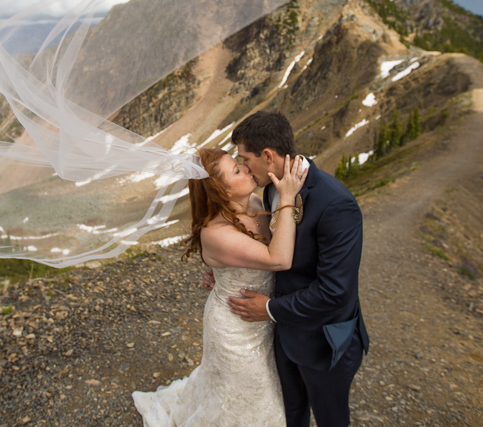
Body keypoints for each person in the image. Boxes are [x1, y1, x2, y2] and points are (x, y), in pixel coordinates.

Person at [132, 147, 308, 427]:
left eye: (240, 164)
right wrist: (287, 197)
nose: (247, 168)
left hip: (262, 319)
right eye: (237, 171)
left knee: (258, 389)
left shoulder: (252, 201)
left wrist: (221, 273)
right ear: (221, 191)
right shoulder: (215, 233)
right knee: (246, 394)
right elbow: (279, 258)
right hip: (234, 329)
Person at [225, 110, 369, 427]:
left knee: (331, 420)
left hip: (324, 344)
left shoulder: (336, 203)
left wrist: (272, 309)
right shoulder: (272, 189)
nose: (244, 167)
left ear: (268, 155)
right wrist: (225, 266)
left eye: (244, 158)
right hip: (283, 336)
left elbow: (335, 292)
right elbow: (269, 249)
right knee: (290, 416)